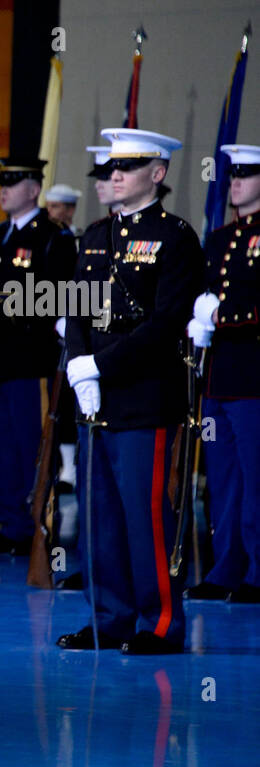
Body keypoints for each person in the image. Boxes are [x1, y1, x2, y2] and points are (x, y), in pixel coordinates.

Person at [58, 128, 204, 655]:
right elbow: (75, 308)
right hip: (95, 399)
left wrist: (99, 364)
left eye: (127, 167)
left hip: (144, 397)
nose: (113, 176)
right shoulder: (95, 235)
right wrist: (78, 364)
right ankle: (110, 619)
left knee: (145, 519)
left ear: (157, 174)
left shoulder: (175, 237)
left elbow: (165, 323)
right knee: (99, 519)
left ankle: (159, 624)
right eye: (109, 169)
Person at [0, 157, 76, 555]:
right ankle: (9, 525)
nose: (3, 189)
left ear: (34, 189)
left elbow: (60, 297)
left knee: (31, 446)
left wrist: (0, 311)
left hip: (31, 360)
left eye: (14, 183)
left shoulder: (53, 238)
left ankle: (38, 527)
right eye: (2, 182)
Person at [184, 144, 260, 604]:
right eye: (233, 175)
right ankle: (226, 565)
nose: (234, 182)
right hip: (217, 379)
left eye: (246, 175)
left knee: (255, 479)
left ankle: (256, 571)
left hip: (253, 377)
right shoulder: (217, 239)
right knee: (224, 478)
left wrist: (221, 317)